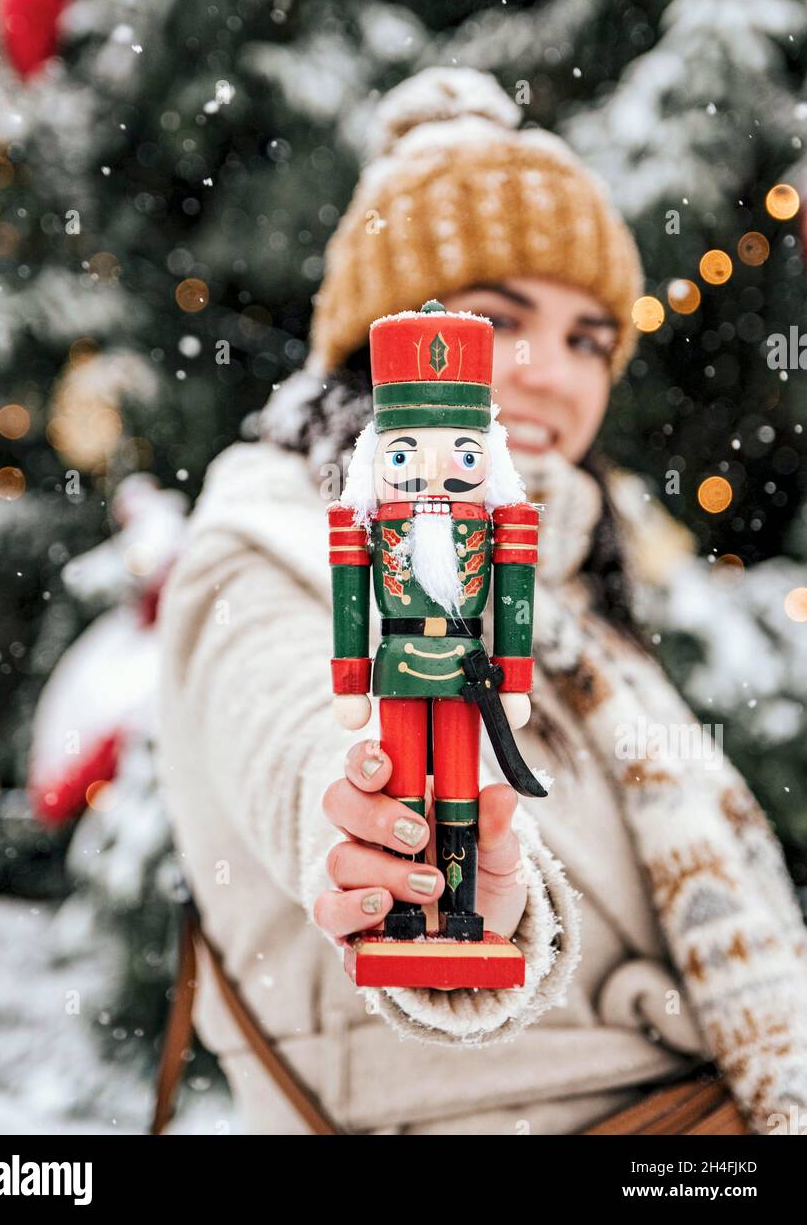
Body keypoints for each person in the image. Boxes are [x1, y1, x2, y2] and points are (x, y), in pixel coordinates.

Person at [155, 67, 807, 1135]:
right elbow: (293, 740)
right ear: (394, 348)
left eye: (589, 337)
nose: (552, 373)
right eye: (500, 321)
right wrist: (379, 836)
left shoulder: (569, 590)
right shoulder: (260, 542)